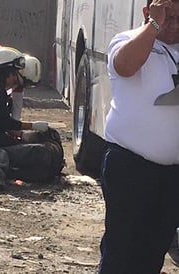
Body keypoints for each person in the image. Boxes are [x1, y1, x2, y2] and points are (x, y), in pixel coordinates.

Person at [99, 0, 179, 273]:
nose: (175, 25)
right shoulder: (127, 40)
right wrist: (153, 27)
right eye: (168, 17)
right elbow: (124, 67)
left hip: (172, 174)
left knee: (153, 252)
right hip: (130, 166)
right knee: (122, 251)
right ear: (148, 13)